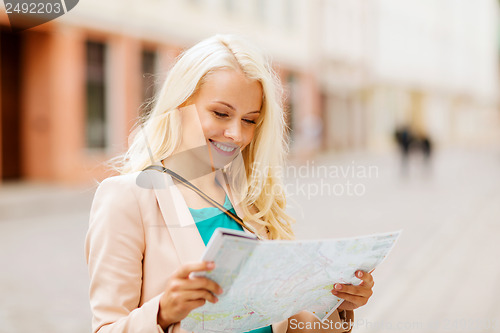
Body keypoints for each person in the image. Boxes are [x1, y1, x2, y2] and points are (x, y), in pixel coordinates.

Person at [85, 34, 374, 333]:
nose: (236, 134)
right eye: (221, 114)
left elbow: (282, 322)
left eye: (250, 120)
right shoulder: (128, 198)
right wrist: (163, 312)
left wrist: (337, 307)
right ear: (180, 104)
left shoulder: (252, 201)